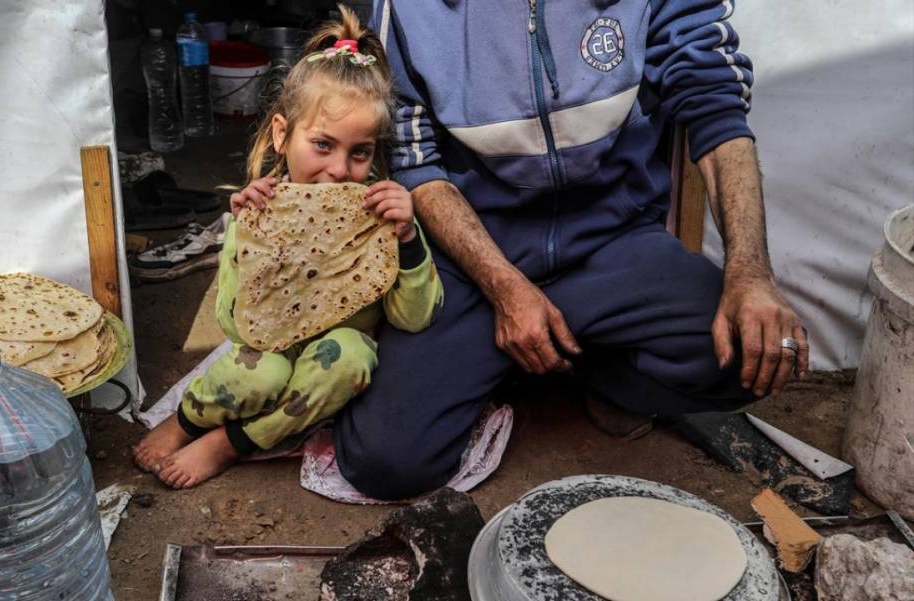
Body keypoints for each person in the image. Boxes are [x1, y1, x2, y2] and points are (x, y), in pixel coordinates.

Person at [332, 0, 810, 500]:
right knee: (384, 462)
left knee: (756, 355)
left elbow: (715, 103)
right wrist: (505, 289)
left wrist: (750, 273)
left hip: (612, 240)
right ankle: (499, 361)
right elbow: (416, 160)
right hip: (475, 255)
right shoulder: (406, 8)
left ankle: (591, 372)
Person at [133, 6, 444, 489]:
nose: (340, 170)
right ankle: (189, 419)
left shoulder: (384, 215)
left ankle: (231, 442)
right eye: (323, 144)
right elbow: (236, 325)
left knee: (351, 356)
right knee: (255, 374)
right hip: (266, 351)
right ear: (282, 134)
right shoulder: (262, 207)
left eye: (359, 152)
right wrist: (244, 235)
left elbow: (414, 318)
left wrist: (408, 240)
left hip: (328, 366)